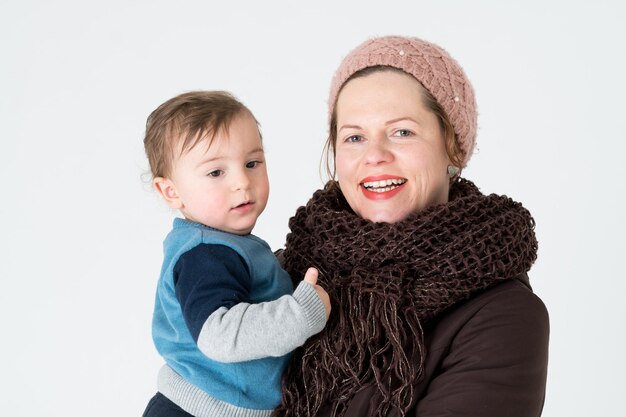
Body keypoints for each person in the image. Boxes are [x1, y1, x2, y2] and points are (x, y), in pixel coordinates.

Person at [273, 36, 549, 417]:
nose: (374, 156)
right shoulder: (281, 276)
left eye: (402, 131)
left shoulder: (504, 315)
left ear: (452, 147)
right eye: (354, 137)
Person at [141, 91, 331, 417]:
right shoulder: (205, 254)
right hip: (196, 409)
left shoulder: (223, 245)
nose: (242, 181)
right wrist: (303, 313)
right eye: (216, 172)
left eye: (252, 163)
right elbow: (220, 335)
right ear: (171, 191)